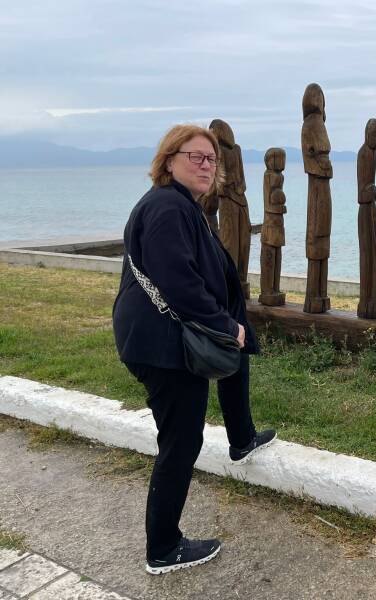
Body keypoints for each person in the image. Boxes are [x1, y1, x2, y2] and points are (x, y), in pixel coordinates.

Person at [112, 124, 276, 575]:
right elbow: (178, 281)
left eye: (212, 159)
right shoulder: (167, 207)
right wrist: (224, 325)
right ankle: (163, 548)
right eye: (195, 157)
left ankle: (242, 439)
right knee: (181, 441)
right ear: (169, 160)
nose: (206, 165)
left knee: (230, 366)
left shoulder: (180, 204)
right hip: (161, 345)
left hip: (161, 337)